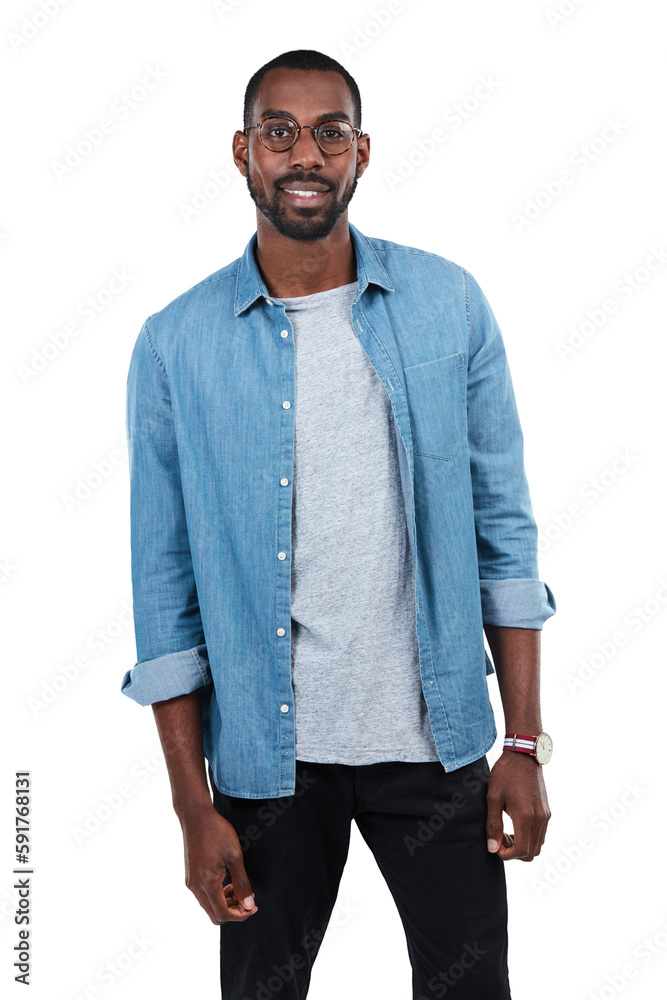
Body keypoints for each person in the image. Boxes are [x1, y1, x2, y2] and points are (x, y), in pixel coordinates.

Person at [120, 48, 557, 1000]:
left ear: (362, 152)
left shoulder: (447, 305)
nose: (303, 154)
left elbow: (504, 535)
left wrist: (520, 744)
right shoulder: (176, 344)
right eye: (279, 132)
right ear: (243, 152)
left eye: (328, 132)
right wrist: (193, 805)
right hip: (268, 763)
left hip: (434, 748)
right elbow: (164, 591)